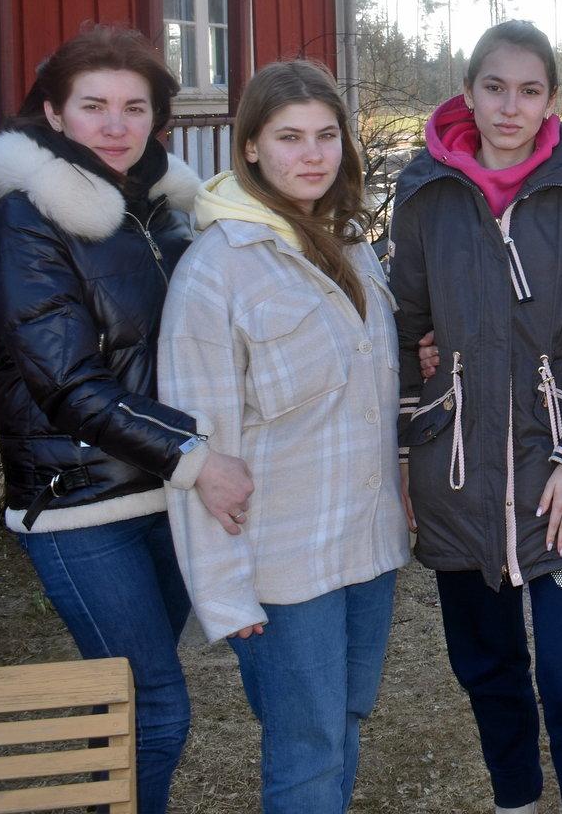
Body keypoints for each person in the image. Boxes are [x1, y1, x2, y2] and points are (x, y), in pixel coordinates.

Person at [0, 24, 252, 814]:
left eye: (135, 107)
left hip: (162, 493)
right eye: (93, 105)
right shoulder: (26, 222)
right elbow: (68, 384)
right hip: (79, 507)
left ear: (156, 119)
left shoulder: (166, 215)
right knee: (155, 710)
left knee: (125, 711)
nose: (115, 124)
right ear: (55, 116)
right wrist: (199, 460)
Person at [390, 21, 562, 814]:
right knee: (487, 668)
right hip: (457, 475)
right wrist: (407, 458)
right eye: (494, 88)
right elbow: (404, 329)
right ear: (468, 92)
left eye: (529, 90)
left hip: (557, 477)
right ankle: (515, 801)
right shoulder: (423, 191)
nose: (510, 106)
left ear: (551, 100)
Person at [161, 59, 411, 813]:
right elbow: (200, 448)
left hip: (366, 546)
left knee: (344, 724)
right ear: (250, 149)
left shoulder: (351, 244)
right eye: (290, 137)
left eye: (327, 136)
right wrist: (225, 595)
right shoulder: (218, 271)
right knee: (305, 749)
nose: (312, 154)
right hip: (284, 562)